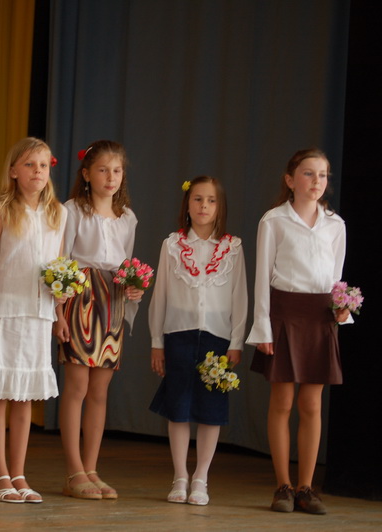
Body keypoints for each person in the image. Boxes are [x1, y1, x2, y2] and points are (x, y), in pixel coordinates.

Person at [246, 149, 349, 515]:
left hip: (320, 319)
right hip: (284, 315)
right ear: (290, 180)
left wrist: (342, 309)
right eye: (308, 173)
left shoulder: (335, 225)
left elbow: (336, 279)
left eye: (322, 175)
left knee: (312, 405)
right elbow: (262, 278)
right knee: (283, 402)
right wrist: (263, 327)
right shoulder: (274, 220)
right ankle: (283, 486)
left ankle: (306, 487)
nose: (316, 181)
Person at [0, 137, 67, 504]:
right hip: (7, 311)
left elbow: (60, 269)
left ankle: (19, 473)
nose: (37, 172)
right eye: (29, 164)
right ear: (13, 171)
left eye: (43, 165)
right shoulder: (2, 209)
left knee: (25, 394)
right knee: (0, 392)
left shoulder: (58, 214)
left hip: (40, 314)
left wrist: (59, 313)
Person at [148, 176, 247, 506]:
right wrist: (157, 340)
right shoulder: (172, 245)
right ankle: (180, 475)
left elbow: (240, 297)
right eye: (198, 199)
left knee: (210, 410)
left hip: (217, 338)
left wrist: (236, 341)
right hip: (178, 334)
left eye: (211, 200)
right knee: (178, 408)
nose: (204, 206)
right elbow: (160, 295)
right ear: (187, 204)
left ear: (220, 207)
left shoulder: (232, 248)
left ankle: (201, 477)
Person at [53, 141, 142, 500]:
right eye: (103, 170)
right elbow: (61, 261)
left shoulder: (128, 218)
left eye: (117, 170)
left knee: (99, 391)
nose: (111, 177)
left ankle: (91, 468)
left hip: (113, 299)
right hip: (80, 296)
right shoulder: (72, 210)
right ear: (87, 174)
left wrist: (133, 286)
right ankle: (73, 470)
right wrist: (58, 312)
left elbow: (127, 263)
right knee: (76, 387)